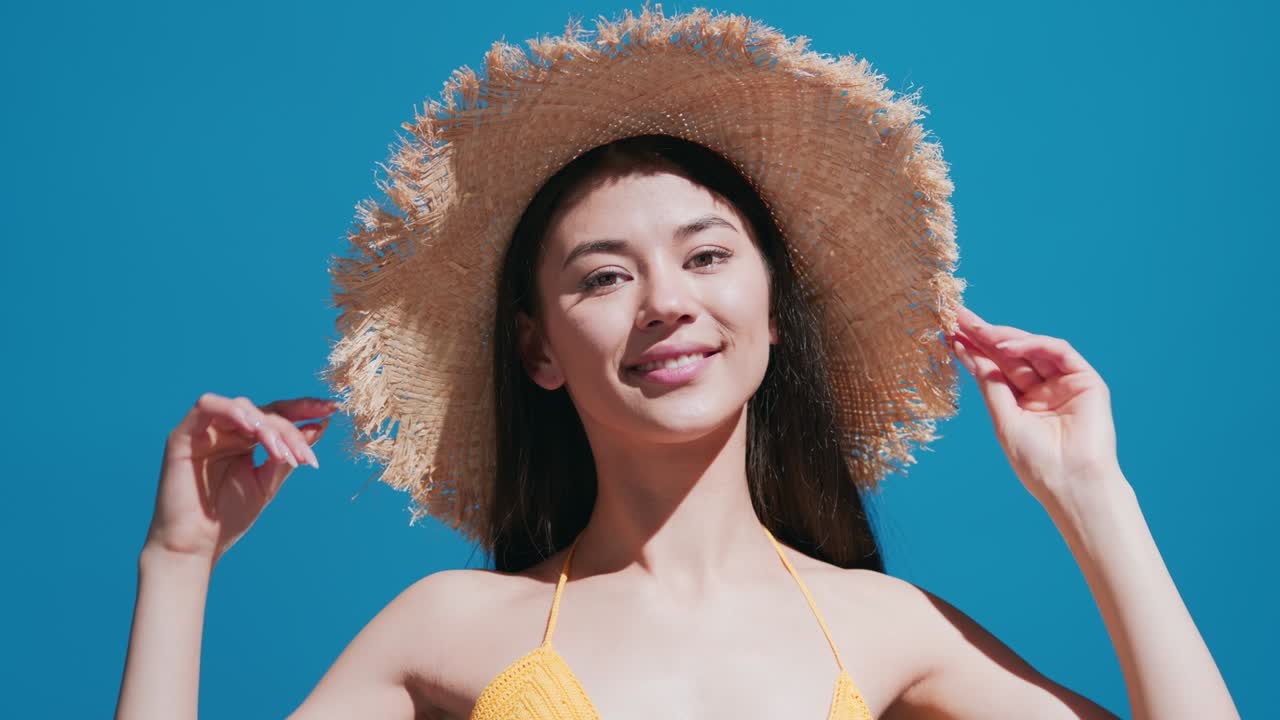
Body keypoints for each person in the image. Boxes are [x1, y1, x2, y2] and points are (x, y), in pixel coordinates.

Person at [115, 6, 1239, 720]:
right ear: (538, 352)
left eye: (705, 256)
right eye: (602, 278)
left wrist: (1091, 493)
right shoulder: (446, 625)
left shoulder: (881, 625)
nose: (664, 304)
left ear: (770, 313)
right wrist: (178, 563)